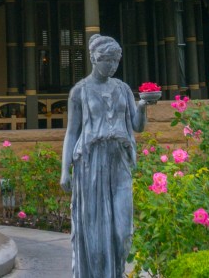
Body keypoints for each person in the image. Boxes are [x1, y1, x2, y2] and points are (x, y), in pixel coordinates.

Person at [60, 34, 151, 278]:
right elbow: (72, 133)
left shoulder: (122, 89)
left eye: (115, 61)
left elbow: (137, 126)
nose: (111, 65)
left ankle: (117, 272)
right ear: (93, 58)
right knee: (95, 235)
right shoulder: (79, 92)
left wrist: (142, 107)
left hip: (118, 161)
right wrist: (64, 170)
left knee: (123, 232)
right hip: (90, 164)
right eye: (106, 60)